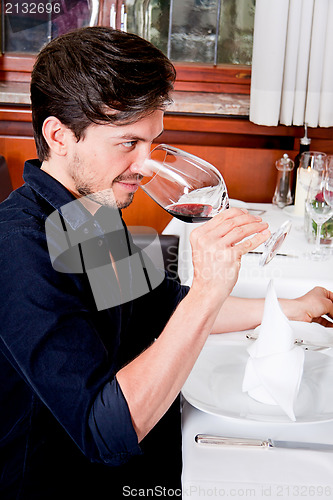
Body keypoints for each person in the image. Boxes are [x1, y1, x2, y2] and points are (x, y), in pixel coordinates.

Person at [0, 27, 332, 500]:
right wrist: (209, 290)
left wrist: (287, 308)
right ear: (59, 136)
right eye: (127, 143)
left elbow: (156, 305)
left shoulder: (87, 211)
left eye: (152, 143)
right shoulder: (18, 249)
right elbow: (104, 431)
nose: (147, 165)